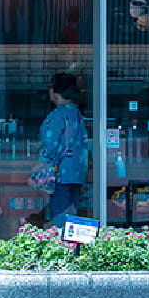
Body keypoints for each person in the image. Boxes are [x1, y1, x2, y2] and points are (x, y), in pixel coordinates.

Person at [36, 73, 89, 223]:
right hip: (77, 171)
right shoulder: (77, 113)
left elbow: (51, 145)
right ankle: (73, 245)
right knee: (72, 214)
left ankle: (63, 244)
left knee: (59, 215)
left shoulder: (57, 115)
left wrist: (40, 163)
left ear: (53, 91)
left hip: (60, 173)